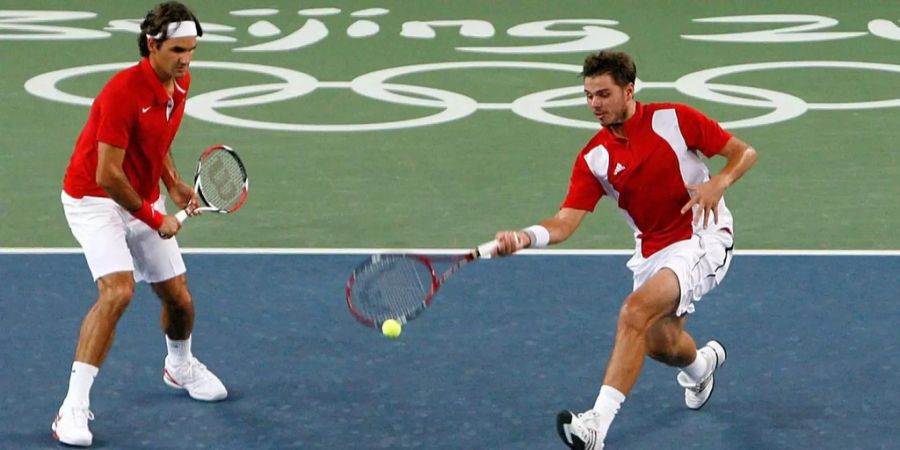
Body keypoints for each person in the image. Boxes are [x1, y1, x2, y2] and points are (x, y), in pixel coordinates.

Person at [492, 50, 757, 449]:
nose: (594, 104)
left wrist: (720, 181)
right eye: (588, 96)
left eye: (603, 94)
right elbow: (565, 222)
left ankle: (596, 426)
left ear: (628, 91)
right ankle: (701, 367)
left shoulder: (675, 119)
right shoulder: (594, 157)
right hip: (653, 251)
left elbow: (744, 152)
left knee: (634, 311)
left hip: (702, 237)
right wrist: (526, 236)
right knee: (660, 343)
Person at [53, 2, 227, 447]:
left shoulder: (180, 84)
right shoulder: (121, 93)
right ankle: (72, 406)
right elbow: (106, 175)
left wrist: (172, 182)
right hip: (94, 201)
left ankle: (179, 365)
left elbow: (156, 142)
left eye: (191, 50)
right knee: (118, 291)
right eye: (177, 50)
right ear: (152, 45)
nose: (186, 60)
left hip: (142, 196)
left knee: (180, 300)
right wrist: (154, 216)